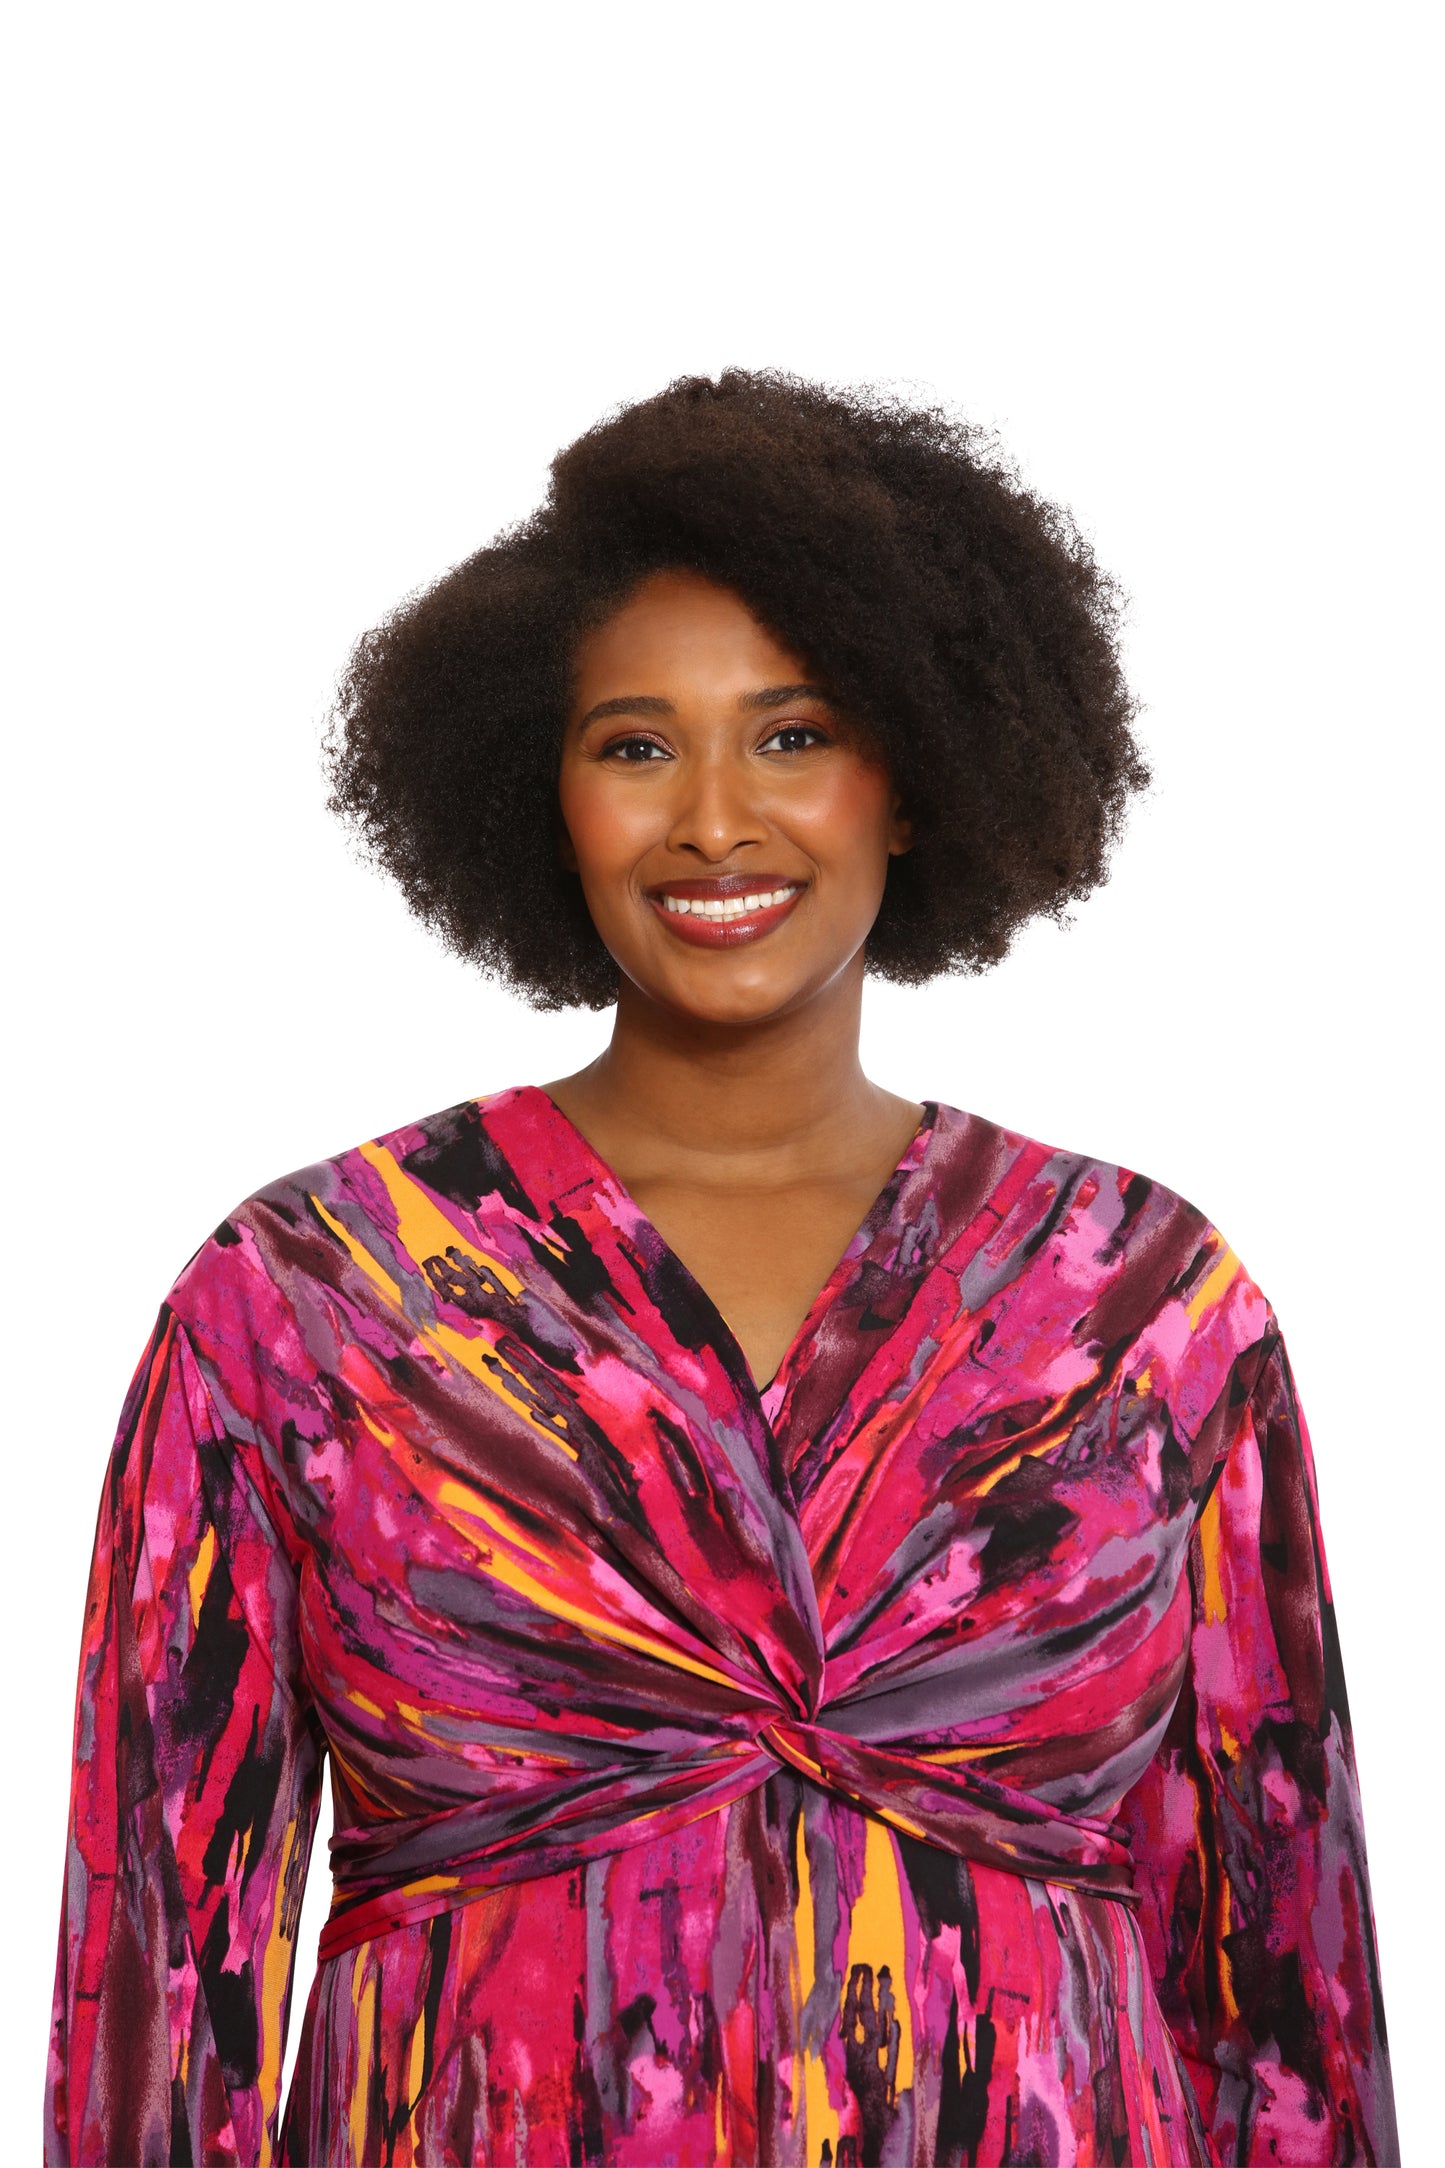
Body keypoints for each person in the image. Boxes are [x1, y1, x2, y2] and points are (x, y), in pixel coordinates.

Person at [45, 372, 1398, 2166]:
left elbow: (1278, 1970)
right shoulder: (316, 1299)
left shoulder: (1138, 1303)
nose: (710, 821)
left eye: (791, 735)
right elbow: (164, 1956)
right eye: (633, 747)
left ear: (911, 779)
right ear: (540, 794)